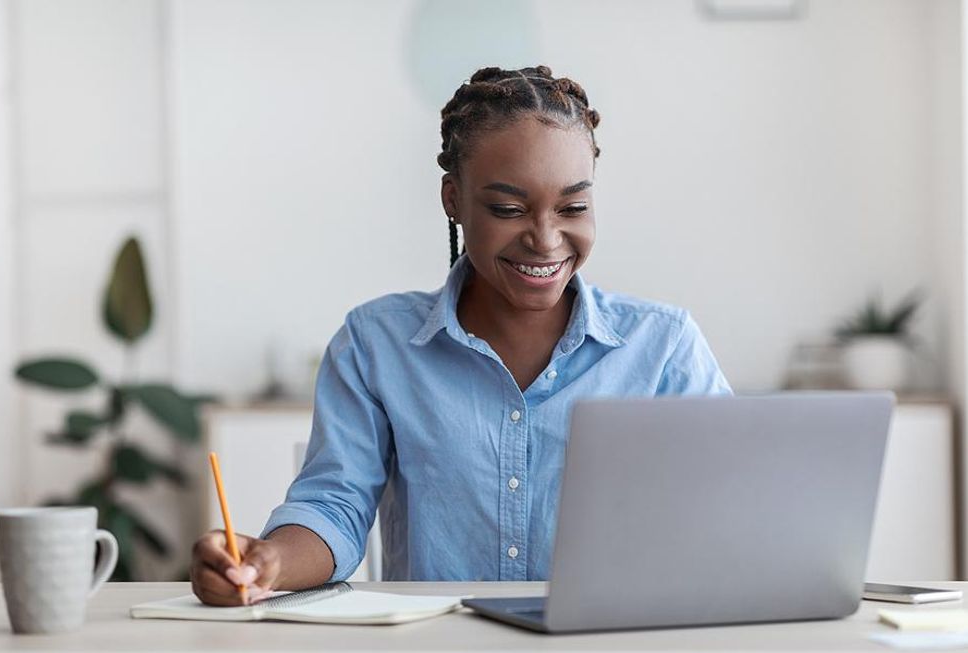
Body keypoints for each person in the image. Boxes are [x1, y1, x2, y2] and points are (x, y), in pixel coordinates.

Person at [190, 65, 731, 606]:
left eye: (574, 208)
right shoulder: (376, 344)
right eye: (508, 209)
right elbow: (335, 505)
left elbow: (732, 506)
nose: (545, 239)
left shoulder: (663, 348)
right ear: (453, 198)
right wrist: (269, 563)